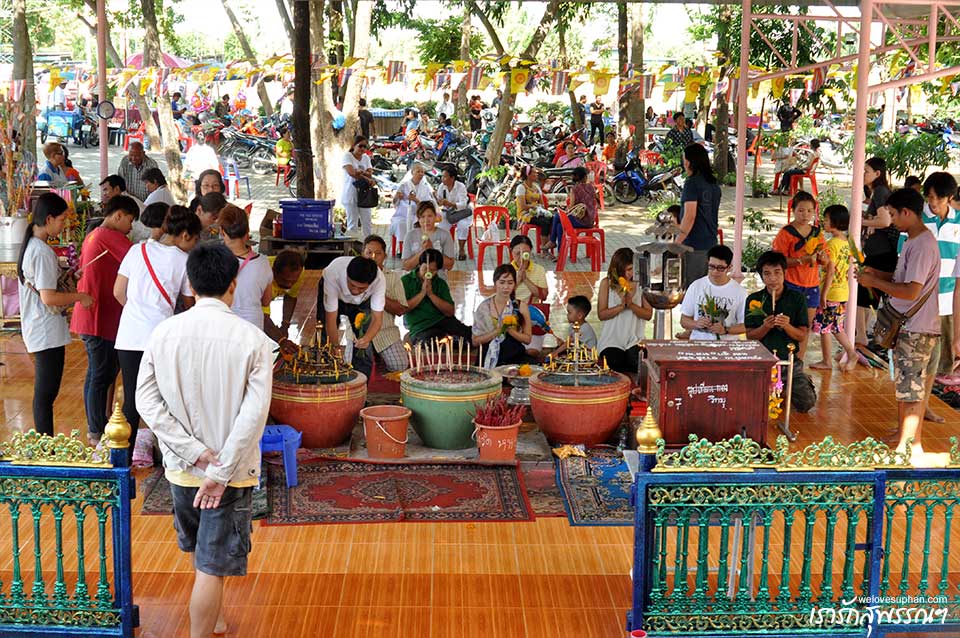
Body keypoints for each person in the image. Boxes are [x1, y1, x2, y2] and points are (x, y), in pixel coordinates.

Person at [135, 242, 273, 638]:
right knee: (212, 565)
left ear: (191, 286)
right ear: (233, 284)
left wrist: (193, 453)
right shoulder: (252, 340)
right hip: (228, 475)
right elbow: (254, 414)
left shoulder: (163, 334)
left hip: (182, 469)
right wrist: (221, 467)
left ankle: (214, 619)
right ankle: (202, 630)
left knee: (200, 553)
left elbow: (146, 400)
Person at [858, 189, 940, 462]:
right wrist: (875, 274)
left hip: (916, 326)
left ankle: (912, 443)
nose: (891, 220)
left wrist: (875, 283)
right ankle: (904, 434)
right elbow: (899, 277)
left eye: (893, 214)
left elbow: (911, 291)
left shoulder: (922, 244)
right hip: (909, 325)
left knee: (912, 384)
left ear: (907, 212)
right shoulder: (911, 241)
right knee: (905, 382)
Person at [114, 206, 200, 454]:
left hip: (128, 336)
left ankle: (125, 459)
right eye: (194, 240)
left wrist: (138, 313)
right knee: (163, 400)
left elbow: (118, 292)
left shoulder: (136, 250)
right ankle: (167, 457)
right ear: (184, 235)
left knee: (131, 398)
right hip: (160, 339)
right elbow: (187, 304)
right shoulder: (184, 261)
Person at [16, 193, 95, 436]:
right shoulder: (40, 251)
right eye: (61, 219)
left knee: (46, 394)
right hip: (44, 329)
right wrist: (80, 297)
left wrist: (67, 279)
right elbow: (49, 297)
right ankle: (45, 446)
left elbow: (46, 289)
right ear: (49, 219)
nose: (64, 225)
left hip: (42, 327)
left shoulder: (36, 246)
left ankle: (46, 444)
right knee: (45, 394)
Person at [71, 196, 137, 444]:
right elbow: (138, 257)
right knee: (100, 375)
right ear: (118, 215)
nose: (130, 227)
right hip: (96, 317)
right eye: (129, 220)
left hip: (96, 316)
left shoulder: (95, 233)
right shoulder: (108, 236)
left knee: (99, 374)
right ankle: (96, 430)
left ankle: (98, 425)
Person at [744, 251, 817, 413]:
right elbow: (750, 336)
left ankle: (790, 384)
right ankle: (776, 389)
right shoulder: (754, 300)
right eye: (767, 274)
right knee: (751, 403)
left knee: (806, 403)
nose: (772, 278)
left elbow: (802, 335)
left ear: (785, 273)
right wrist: (765, 326)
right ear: (761, 276)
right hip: (762, 363)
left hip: (790, 362)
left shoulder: (797, 299)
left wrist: (787, 326)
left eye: (777, 273)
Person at [914, 173, 960, 388]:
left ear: (950, 197)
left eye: (938, 198)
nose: (932, 203)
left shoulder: (958, 221)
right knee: (920, 356)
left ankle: (930, 401)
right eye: (929, 197)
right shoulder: (917, 220)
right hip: (921, 299)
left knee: (943, 359)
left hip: (949, 299)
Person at [772, 191, 827, 359]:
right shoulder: (786, 233)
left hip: (811, 285)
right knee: (786, 324)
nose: (806, 215)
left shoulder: (817, 233)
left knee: (805, 326)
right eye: (801, 210)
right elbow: (778, 262)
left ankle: (798, 362)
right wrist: (800, 261)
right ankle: (783, 358)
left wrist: (822, 259)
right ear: (794, 210)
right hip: (791, 283)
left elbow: (825, 260)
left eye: (810, 211)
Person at [316, 256, 384, 378]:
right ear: (346, 275)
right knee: (324, 339)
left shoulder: (379, 280)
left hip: (362, 303)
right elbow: (330, 320)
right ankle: (324, 379)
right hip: (335, 294)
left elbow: (377, 319)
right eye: (352, 285)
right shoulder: (333, 274)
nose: (356, 291)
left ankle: (360, 387)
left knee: (363, 345)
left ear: (371, 283)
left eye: (362, 288)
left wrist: (367, 339)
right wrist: (335, 347)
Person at [856, 156, 896, 358]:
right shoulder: (875, 193)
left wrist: (861, 222)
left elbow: (885, 221)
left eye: (866, 171)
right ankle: (862, 338)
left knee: (864, 295)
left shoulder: (880, 192)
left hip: (881, 253)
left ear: (877, 174)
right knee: (864, 296)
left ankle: (862, 339)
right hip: (876, 252)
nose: (863, 174)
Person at [810, 205, 859, 372]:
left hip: (831, 292)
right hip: (843, 291)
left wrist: (823, 294)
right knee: (837, 327)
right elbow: (860, 259)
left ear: (835, 222)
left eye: (826, 219)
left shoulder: (831, 244)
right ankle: (851, 353)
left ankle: (827, 361)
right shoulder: (849, 242)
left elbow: (830, 271)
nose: (824, 222)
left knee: (824, 328)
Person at [597, 248, 652, 375]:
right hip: (612, 340)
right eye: (627, 270)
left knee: (638, 361)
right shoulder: (607, 283)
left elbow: (648, 314)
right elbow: (602, 314)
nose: (630, 273)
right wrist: (620, 307)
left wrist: (631, 305)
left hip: (635, 339)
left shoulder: (641, 284)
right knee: (614, 362)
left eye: (632, 269)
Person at [218, 205, 273, 331]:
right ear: (247, 231)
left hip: (224, 324)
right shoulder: (263, 263)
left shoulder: (215, 260)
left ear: (222, 231)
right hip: (253, 326)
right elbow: (266, 301)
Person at [402, 249, 471, 346]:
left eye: (433, 270)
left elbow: (450, 311)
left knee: (470, 335)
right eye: (425, 268)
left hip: (442, 321)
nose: (428, 273)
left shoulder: (440, 283)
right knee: (431, 343)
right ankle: (449, 340)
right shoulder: (406, 281)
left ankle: (452, 340)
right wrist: (422, 293)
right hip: (420, 327)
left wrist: (431, 295)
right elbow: (402, 309)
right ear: (419, 264)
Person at [679, 244, 747, 341]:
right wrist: (696, 324)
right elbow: (684, 320)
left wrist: (725, 330)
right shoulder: (696, 286)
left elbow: (745, 326)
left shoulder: (740, 292)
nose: (715, 271)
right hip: (699, 344)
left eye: (720, 268)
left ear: (729, 268)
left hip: (727, 346)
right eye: (711, 267)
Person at [362, 236, 409, 371]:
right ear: (362, 254)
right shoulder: (353, 274)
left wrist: (377, 293)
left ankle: (379, 358)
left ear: (385, 256)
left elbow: (401, 310)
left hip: (386, 333)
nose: (373, 257)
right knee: (353, 367)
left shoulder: (392, 277)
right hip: (358, 334)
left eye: (378, 253)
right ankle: (373, 357)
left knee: (400, 365)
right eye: (369, 253)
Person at [472, 264, 534, 368]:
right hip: (488, 353)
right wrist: (497, 331)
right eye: (502, 282)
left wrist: (510, 330)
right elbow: (475, 341)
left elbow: (527, 339)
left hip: (514, 355)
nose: (506, 287)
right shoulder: (484, 307)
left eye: (510, 283)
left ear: (514, 284)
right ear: (495, 283)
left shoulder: (520, 306)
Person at [678, 143, 721, 282]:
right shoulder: (713, 184)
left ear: (689, 162)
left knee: (693, 290)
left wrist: (677, 242)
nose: (683, 162)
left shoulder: (692, 184)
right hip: (711, 244)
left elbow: (690, 216)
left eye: (684, 159)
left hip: (693, 246)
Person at [542, 166, 597, 257]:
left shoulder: (574, 189)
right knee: (560, 226)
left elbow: (571, 206)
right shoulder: (591, 187)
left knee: (556, 217)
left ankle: (552, 241)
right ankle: (560, 254)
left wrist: (565, 210)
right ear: (585, 177)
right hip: (590, 220)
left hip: (581, 220)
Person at [509, 235, 550, 357]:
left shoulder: (539, 270)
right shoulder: (506, 270)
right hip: (512, 318)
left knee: (531, 352)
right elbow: (502, 296)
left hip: (532, 320)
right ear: (511, 252)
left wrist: (525, 279)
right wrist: (517, 279)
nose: (521, 258)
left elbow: (543, 296)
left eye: (525, 254)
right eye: (517, 253)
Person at [262, 250, 305, 352]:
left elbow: (290, 297)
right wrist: (281, 340)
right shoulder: (262, 276)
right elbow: (261, 316)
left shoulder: (298, 271)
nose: (289, 285)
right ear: (273, 272)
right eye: (285, 280)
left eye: (293, 282)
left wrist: (285, 326)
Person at [402, 201, 455, 273]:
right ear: (418, 218)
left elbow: (450, 266)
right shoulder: (410, 236)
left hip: (439, 279)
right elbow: (406, 266)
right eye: (423, 217)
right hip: (415, 280)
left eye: (430, 216)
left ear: (435, 216)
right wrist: (422, 251)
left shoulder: (445, 235)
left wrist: (432, 250)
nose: (426, 220)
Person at [435, 165, 472, 261]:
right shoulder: (442, 187)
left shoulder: (461, 186)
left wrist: (450, 204)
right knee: (442, 227)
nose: (442, 179)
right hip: (448, 213)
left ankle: (461, 249)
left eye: (445, 176)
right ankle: (446, 249)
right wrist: (438, 200)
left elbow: (463, 204)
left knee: (463, 226)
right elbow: (439, 201)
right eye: (442, 176)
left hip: (461, 213)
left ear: (452, 178)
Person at [342, 135, 376, 237]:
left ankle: (368, 246)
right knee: (352, 224)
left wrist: (360, 172)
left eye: (365, 147)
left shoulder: (366, 158)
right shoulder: (347, 156)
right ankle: (353, 249)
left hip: (365, 194)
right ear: (354, 145)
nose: (362, 149)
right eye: (360, 146)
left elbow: (370, 172)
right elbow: (352, 173)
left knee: (367, 223)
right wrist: (365, 176)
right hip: (351, 194)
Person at [392, 162, 435, 241]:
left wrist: (416, 200)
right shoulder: (404, 185)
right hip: (403, 215)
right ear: (412, 172)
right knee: (401, 225)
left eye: (422, 172)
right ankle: (403, 249)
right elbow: (395, 202)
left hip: (419, 216)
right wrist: (397, 197)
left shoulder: (425, 187)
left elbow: (428, 205)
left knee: (422, 225)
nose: (421, 174)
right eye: (418, 171)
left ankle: (418, 249)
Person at [515, 166, 553, 242]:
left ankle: (549, 243)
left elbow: (541, 203)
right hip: (525, 214)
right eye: (534, 173)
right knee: (544, 222)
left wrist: (539, 208)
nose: (536, 174)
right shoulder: (521, 187)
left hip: (536, 212)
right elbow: (522, 206)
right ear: (528, 175)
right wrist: (534, 206)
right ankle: (544, 247)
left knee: (552, 219)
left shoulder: (536, 187)